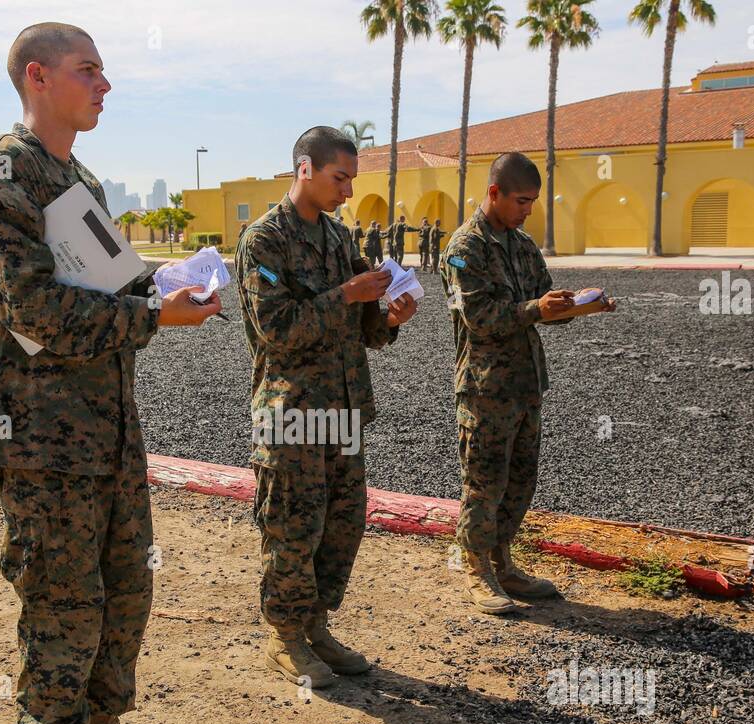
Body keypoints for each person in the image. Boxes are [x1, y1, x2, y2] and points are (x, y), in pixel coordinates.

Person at [0, 21, 222, 724]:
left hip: (107, 429)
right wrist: (150, 314)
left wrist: (175, 284)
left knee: (124, 590)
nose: (105, 85)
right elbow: (33, 309)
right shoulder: (4, 177)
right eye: (89, 70)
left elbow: (114, 279)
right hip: (40, 435)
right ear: (38, 77)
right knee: (62, 603)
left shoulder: (83, 180)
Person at [235, 125, 417, 690]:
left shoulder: (339, 240)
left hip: (343, 408)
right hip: (290, 412)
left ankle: (316, 625)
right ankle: (283, 636)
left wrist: (387, 316)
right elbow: (276, 328)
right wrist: (347, 295)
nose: (346, 191)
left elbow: (360, 327)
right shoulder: (264, 240)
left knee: (342, 521)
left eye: (351, 181)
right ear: (305, 169)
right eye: (340, 178)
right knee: (293, 523)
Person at [441, 152, 610, 614]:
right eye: (521, 200)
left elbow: (541, 303)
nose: (528, 210)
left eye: (532, 201)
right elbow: (479, 318)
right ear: (494, 192)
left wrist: (575, 307)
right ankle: (475, 566)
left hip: (526, 383)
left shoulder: (522, 245)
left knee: (520, 482)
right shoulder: (464, 248)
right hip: (485, 387)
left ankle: (503, 561)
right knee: (485, 482)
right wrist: (537, 309)